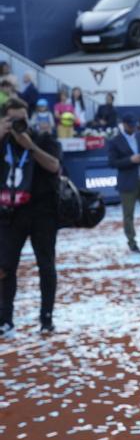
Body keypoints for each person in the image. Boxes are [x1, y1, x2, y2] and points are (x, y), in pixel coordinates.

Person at [0, 98, 62, 335]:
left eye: (22, 120)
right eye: (12, 120)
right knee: (5, 267)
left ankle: (46, 318)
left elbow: (55, 166)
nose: (18, 125)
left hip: (42, 212)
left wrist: (30, 146)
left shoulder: (43, 138)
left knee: (46, 266)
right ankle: (5, 318)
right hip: (9, 212)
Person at [108, 114, 140, 253]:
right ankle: (132, 242)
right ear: (124, 125)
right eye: (130, 125)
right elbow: (112, 163)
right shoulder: (115, 141)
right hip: (128, 183)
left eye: (134, 125)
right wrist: (131, 160)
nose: (133, 128)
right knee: (128, 215)